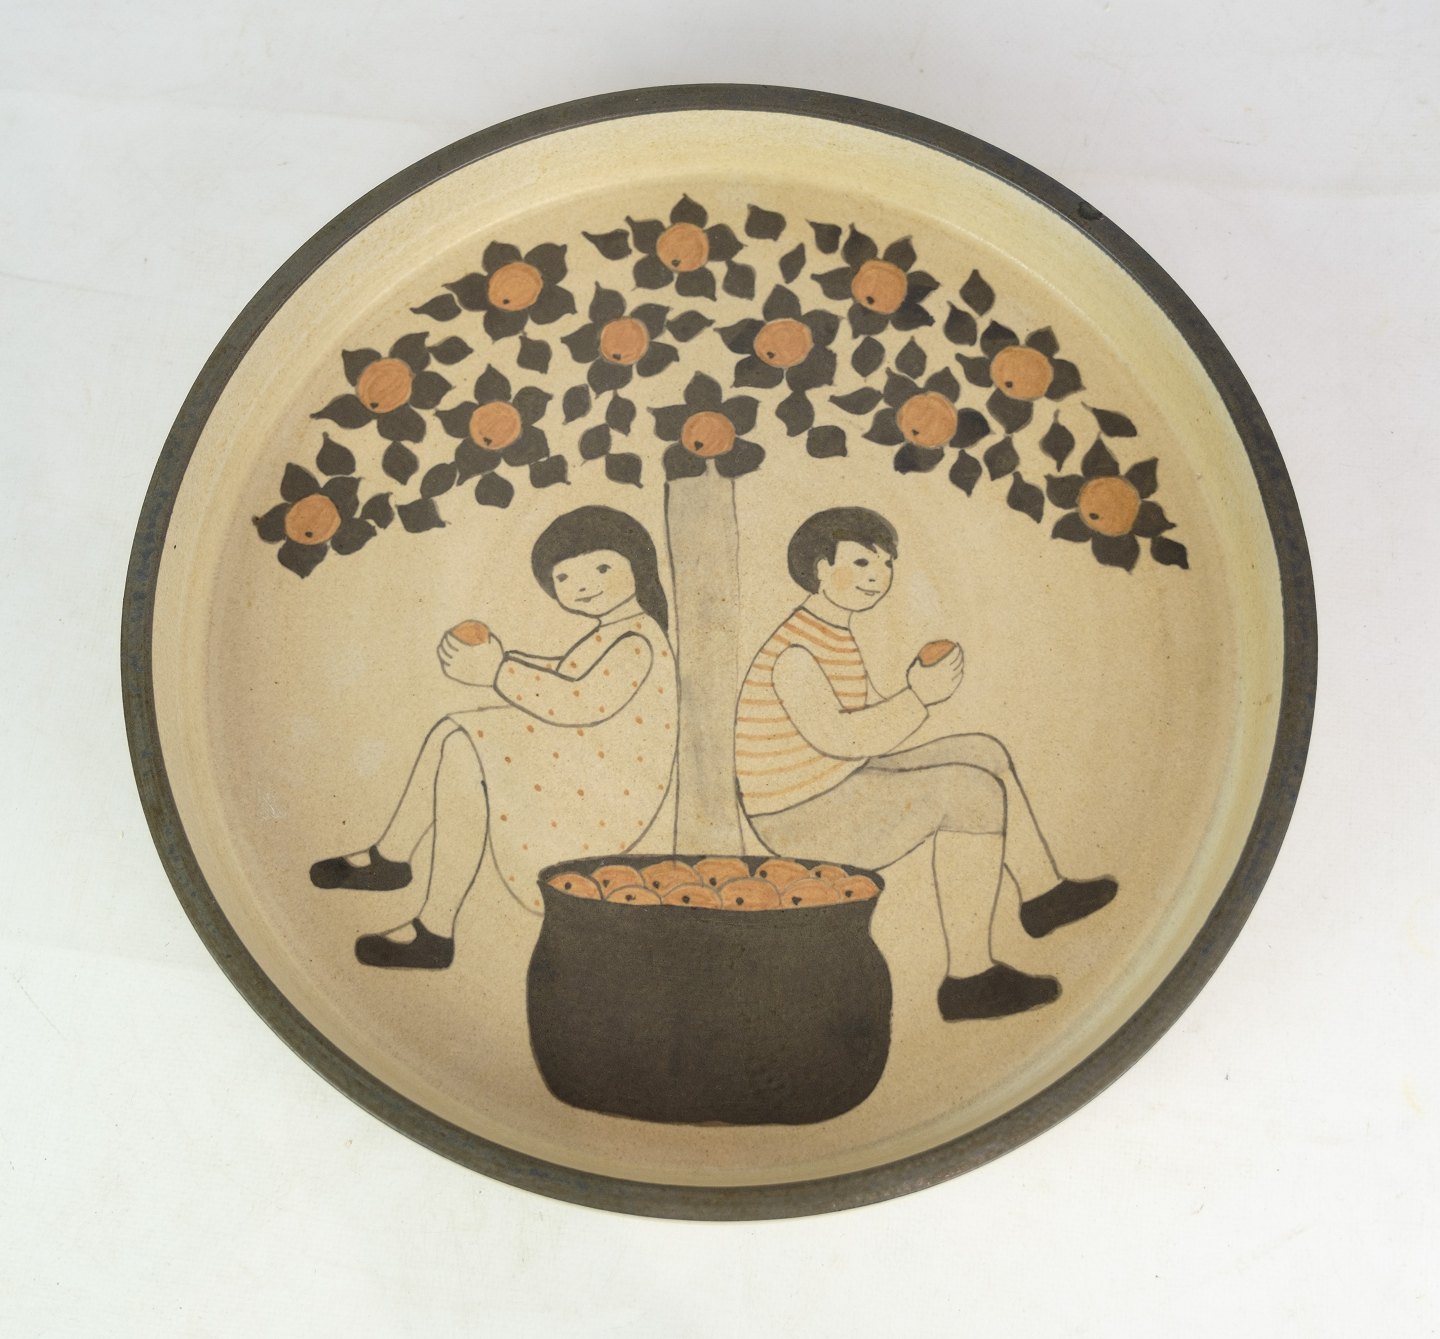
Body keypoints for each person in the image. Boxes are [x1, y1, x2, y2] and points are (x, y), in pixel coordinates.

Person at [735, 506, 1116, 1020]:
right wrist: (919, 697)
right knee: (969, 792)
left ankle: (1043, 898)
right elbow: (842, 736)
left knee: (983, 752)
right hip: (798, 815)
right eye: (862, 562)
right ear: (821, 569)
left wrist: (915, 694)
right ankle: (969, 980)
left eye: (885, 564)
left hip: (835, 780)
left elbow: (862, 726)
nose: (878, 576)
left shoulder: (831, 631)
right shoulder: (796, 651)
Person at [310, 506, 677, 969]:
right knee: (454, 727)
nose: (583, 585)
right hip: (582, 760)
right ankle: (392, 857)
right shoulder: (617, 632)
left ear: (639, 565)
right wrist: (504, 661)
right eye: (565, 577)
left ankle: (435, 929)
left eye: (602, 568)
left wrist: (497, 672)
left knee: (466, 748)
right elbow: (565, 674)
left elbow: (578, 701)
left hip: (605, 789)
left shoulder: (638, 641)